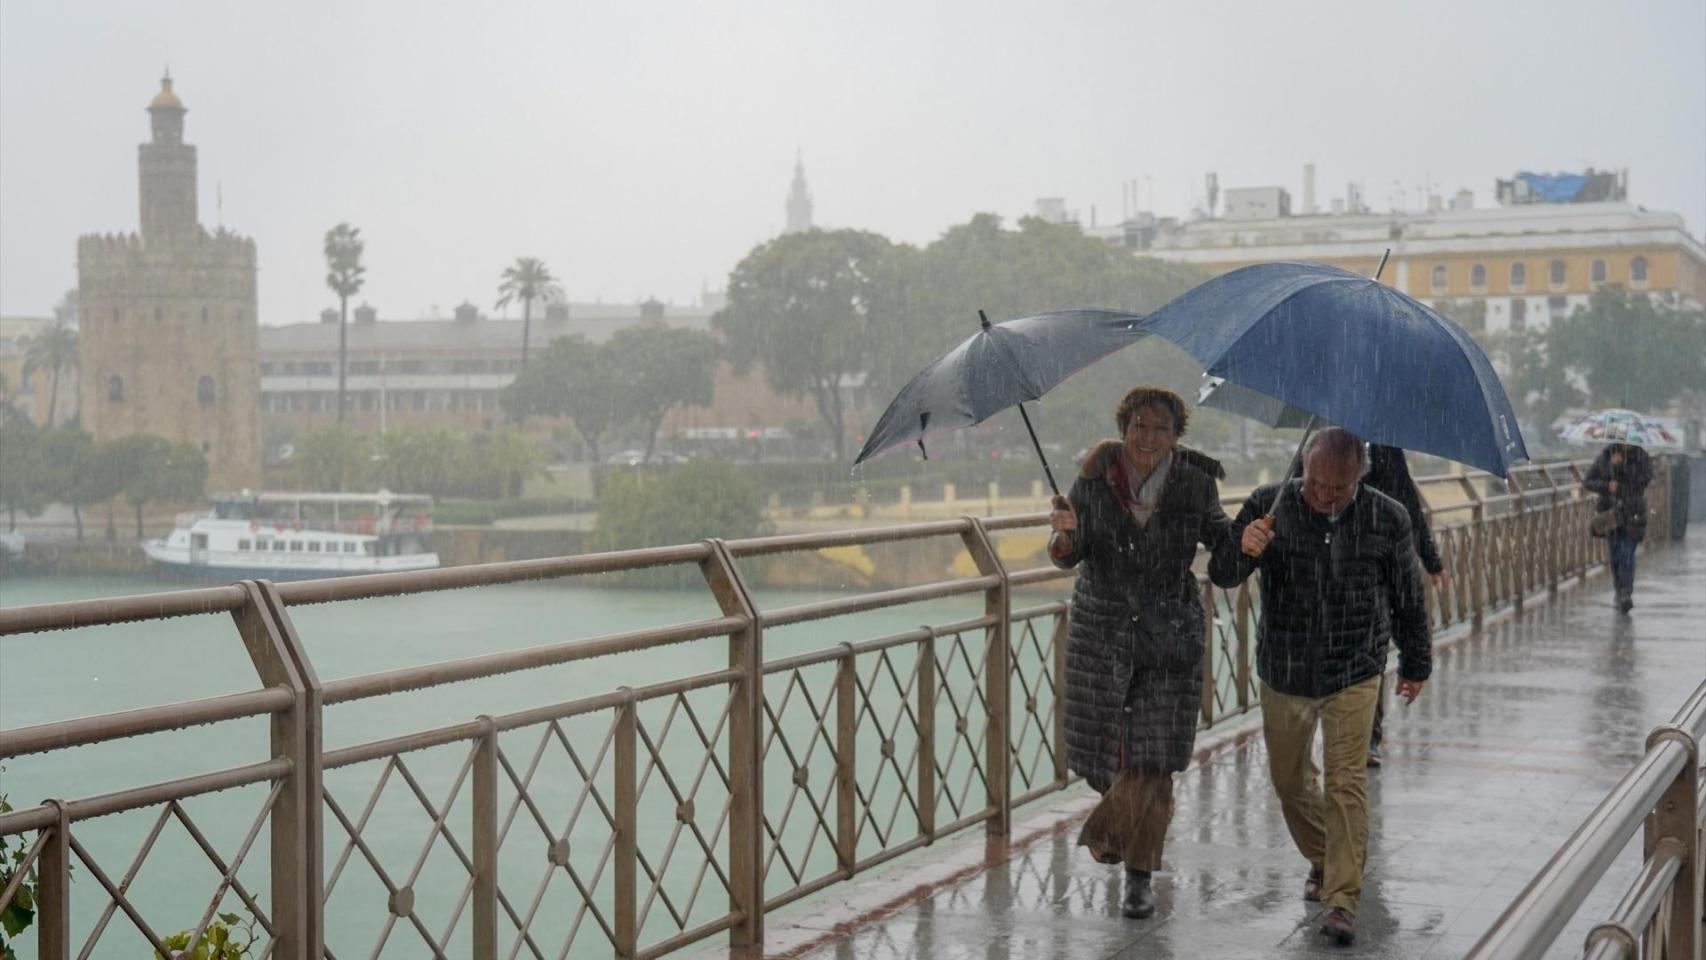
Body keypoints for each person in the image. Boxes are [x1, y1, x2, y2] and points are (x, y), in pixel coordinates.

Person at [1209, 427, 1432, 946]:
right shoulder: (1270, 502)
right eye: (1317, 484)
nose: (1325, 496)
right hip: (1285, 667)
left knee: (1345, 781)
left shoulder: (1386, 516)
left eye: (1339, 487)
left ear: (1361, 477)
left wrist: (1416, 662)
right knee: (1288, 781)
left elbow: (1407, 595)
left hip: (1355, 667)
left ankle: (1341, 898)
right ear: (1304, 468)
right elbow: (1223, 573)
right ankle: (1326, 854)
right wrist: (1243, 548)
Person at [1048, 386, 1233, 920]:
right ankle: (1122, 831)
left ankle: (1136, 873)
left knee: (1151, 761)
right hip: (1102, 633)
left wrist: (1246, 541)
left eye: (1161, 429)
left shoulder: (1195, 482)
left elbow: (1220, 541)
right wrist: (1062, 536)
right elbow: (1070, 553)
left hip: (1168, 633)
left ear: (1176, 436)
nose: (1149, 438)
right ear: (1124, 427)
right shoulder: (1093, 479)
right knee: (1112, 762)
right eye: (1140, 426)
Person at [1362, 444, 1447, 768]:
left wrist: (1431, 559)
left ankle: (1367, 735)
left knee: (1368, 653)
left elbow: (1408, 507)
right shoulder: (1319, 446)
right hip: (1325, 573)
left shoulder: (1385, 449)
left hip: (1377, 568)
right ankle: (1359, 734)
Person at [1582, 442, 1654, 613]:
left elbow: (1644, 480)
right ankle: (1619, 590)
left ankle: (1626, 593)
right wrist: (1607, 483)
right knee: (1615, 555)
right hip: (1611, 515)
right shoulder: (1607, 455)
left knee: (1627, 553)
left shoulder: (1641, 457)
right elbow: (1588, 481)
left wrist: (1621, 469)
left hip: (1633, 514)